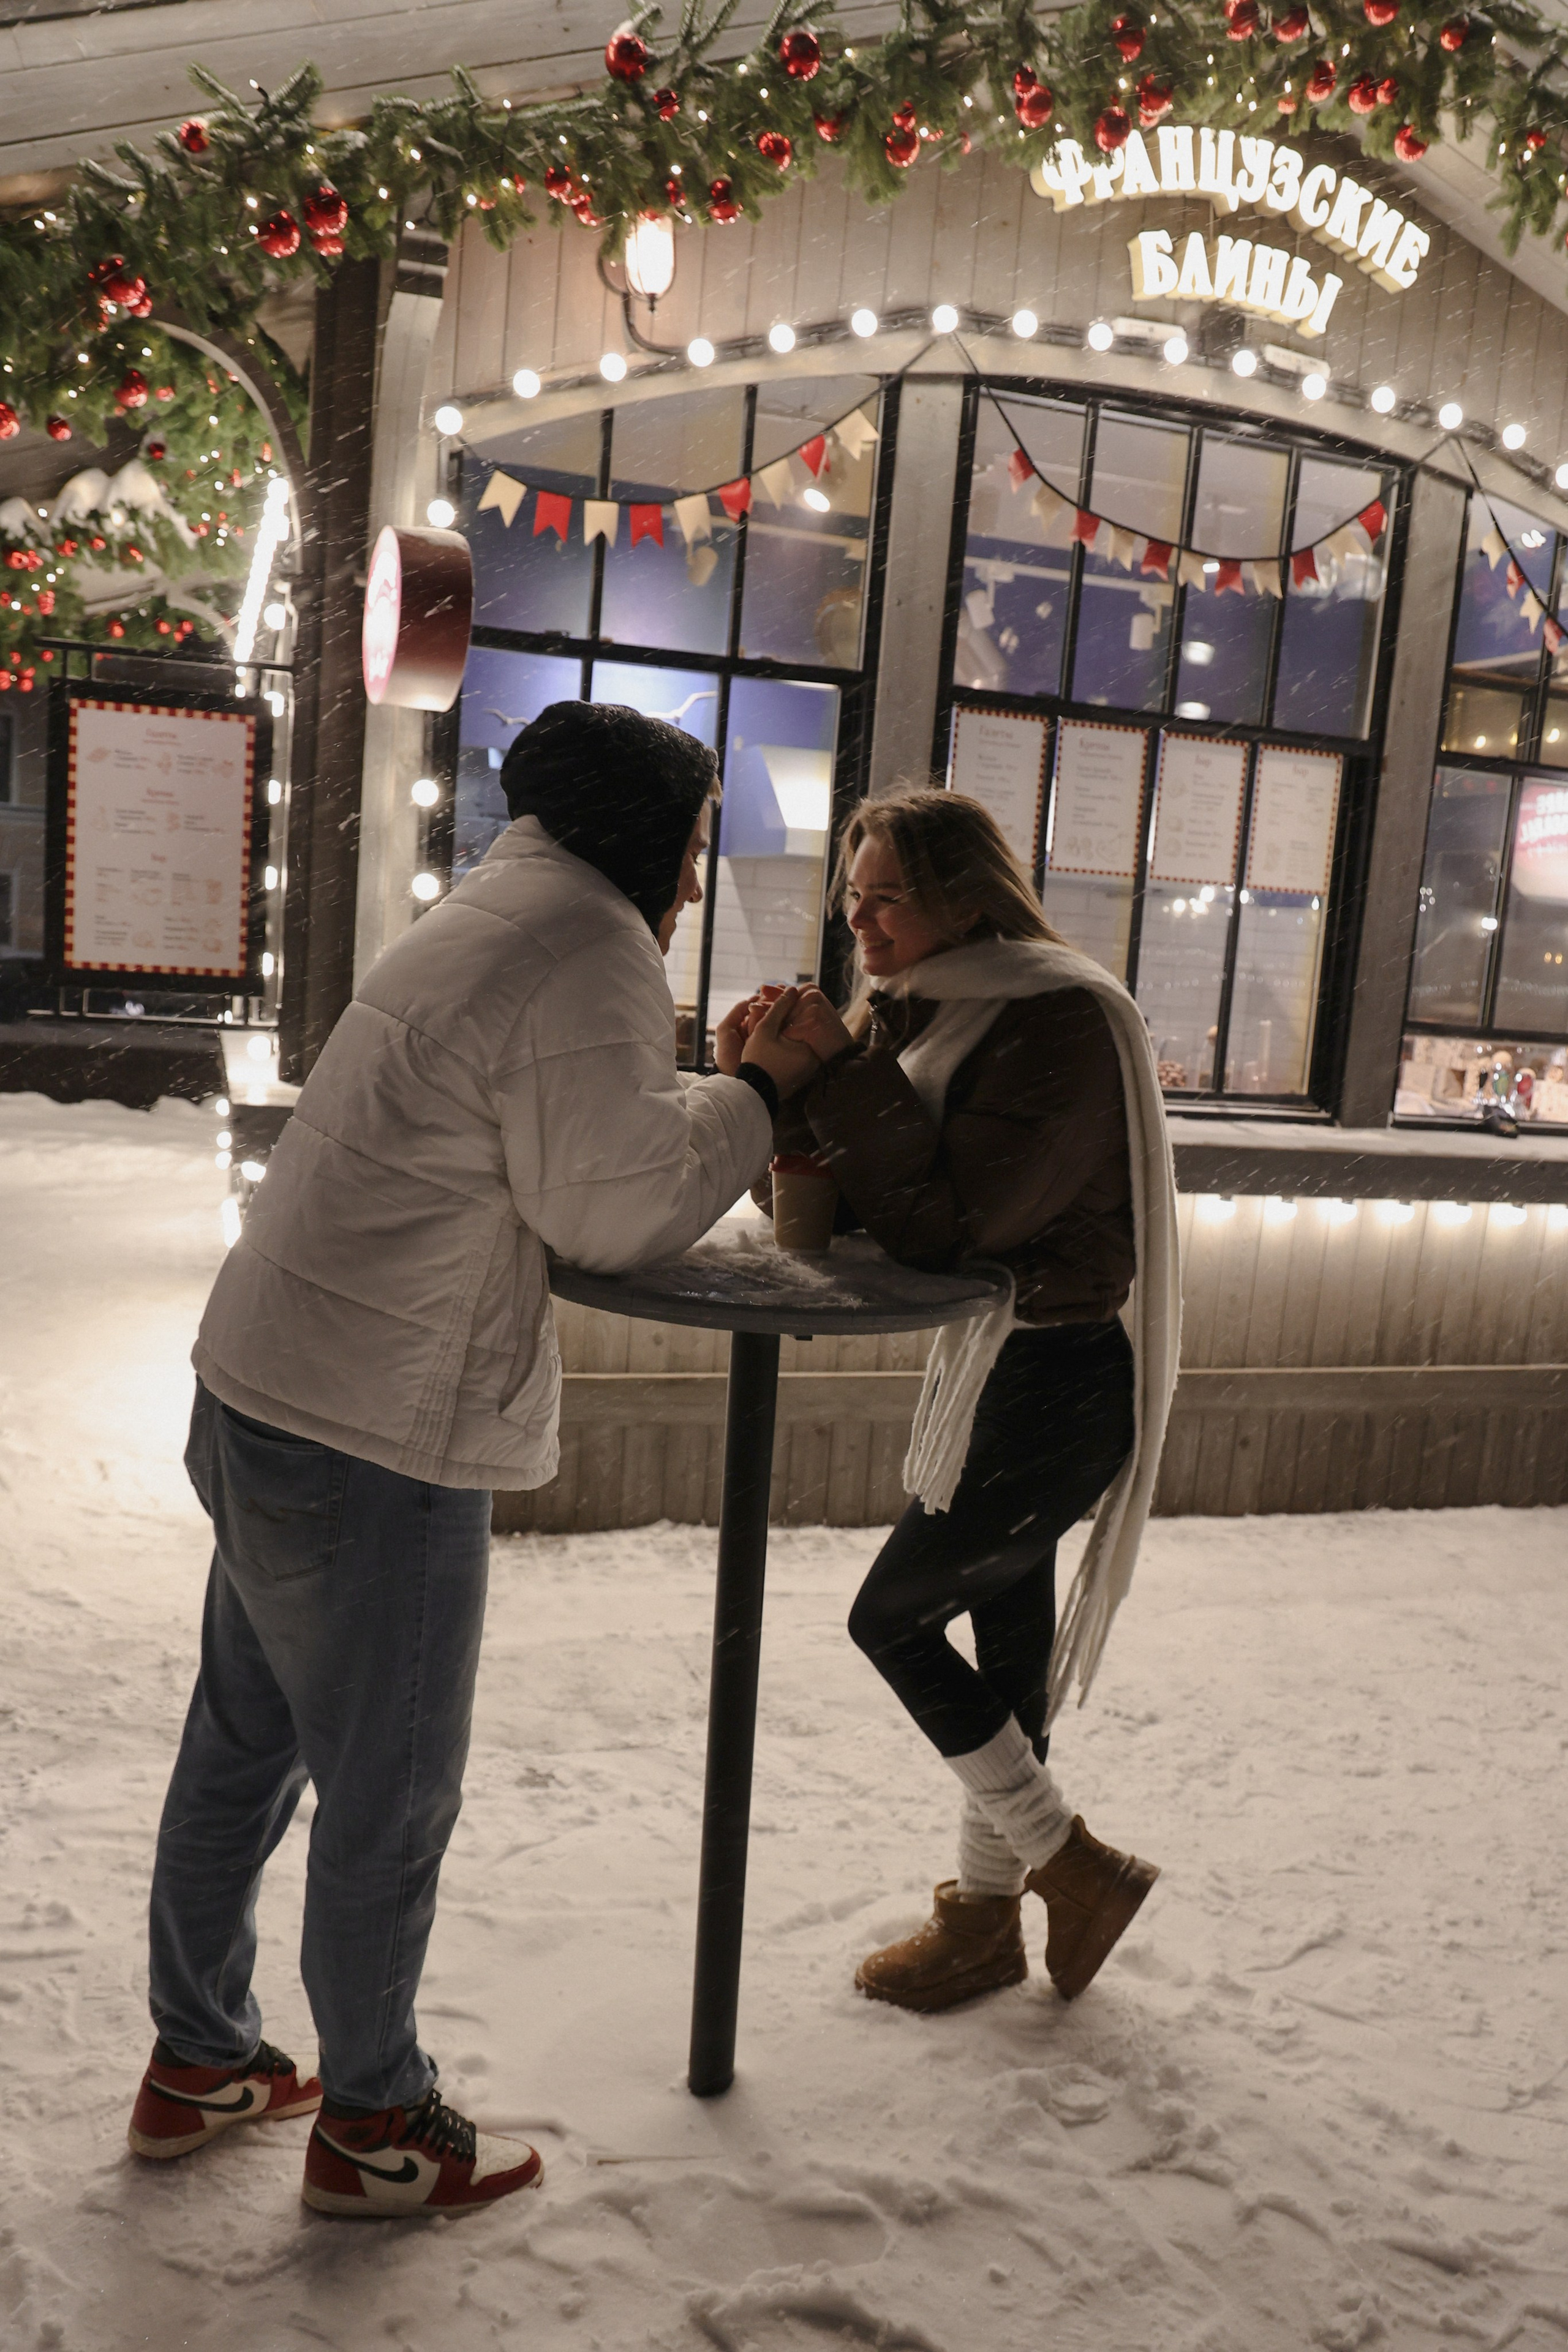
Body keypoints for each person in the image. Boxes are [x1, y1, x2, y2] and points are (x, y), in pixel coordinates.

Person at [130, 702, 816, 2216]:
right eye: (696, 846)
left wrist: (698, 1091)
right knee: (390, 1794)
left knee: (243, 1744)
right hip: (371, 1434)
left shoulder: (495, 908)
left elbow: (561, 1138)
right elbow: (610, 1205)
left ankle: (202, 2059)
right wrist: (763, 1094)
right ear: (646, 838)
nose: (695, 884)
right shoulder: (587, 942)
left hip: (258, 1385)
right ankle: (375, 2125)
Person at [737, 787, 1181, 2015]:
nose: (859, 921)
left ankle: (1068, 1868)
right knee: (1008, 1654)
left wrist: (836, 1077)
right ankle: (986, 1926)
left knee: (889, 1621)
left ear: (965, 898)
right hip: (1000, 1370)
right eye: (851, 896)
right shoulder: (931, 1015)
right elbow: (883, 1201)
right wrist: (776, 1084)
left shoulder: (1055, 1021)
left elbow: (948, 1224)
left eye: (886, 897)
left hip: (1062, 1377)